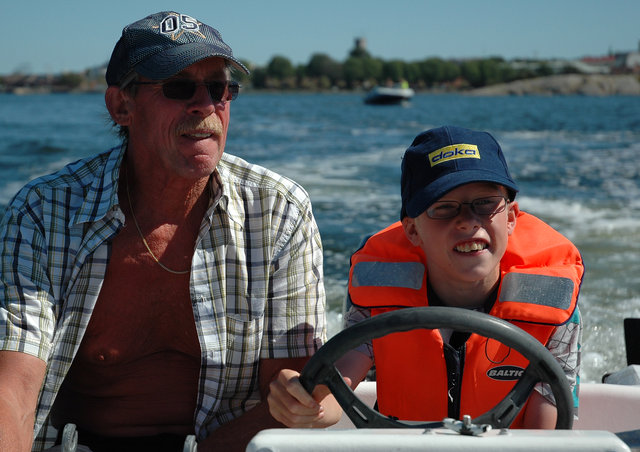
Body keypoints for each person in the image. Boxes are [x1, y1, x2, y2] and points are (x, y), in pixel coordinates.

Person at [0, 11, 325, 452]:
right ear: (122, 106)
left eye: (219, 88)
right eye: (178, 87)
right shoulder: (44, 211)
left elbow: (289, 400)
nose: (205, 105)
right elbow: (13, 391)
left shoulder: (280, 212)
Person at [268, 125, 583, 430]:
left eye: (485, 204)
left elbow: (546, 436)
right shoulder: (378, 293)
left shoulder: (552, 302)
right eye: (444, 208)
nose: (468, 222)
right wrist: (303, 405)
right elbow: (333, 398)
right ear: (412, 230)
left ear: (511, 218)